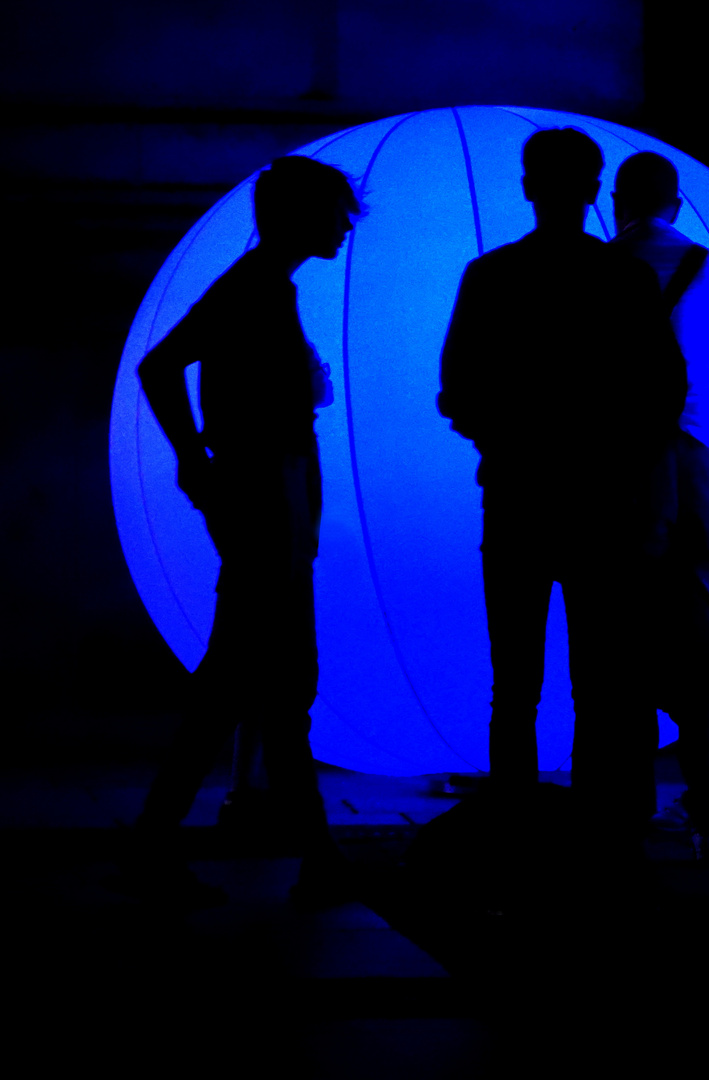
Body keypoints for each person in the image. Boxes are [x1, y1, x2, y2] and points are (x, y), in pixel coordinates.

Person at [116, 156, 358, 907]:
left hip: (266, 503)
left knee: (254, 685)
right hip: (267, 504)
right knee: (270, 684)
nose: (345, 225)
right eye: (334, 212)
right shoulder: (256, 290)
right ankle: (306, 857)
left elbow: (165, 369)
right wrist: (197, 458)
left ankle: (299, 855)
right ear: (298, 216)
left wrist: (200, 459)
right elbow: (160, 367)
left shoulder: (259, 287)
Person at [438, 128, 686, 848]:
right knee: (599, 676)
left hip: (516, 493)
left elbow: (456, 391)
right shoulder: (624, 280)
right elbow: (664, 390)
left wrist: (505, 437)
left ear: (527, 186)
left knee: (513, 680)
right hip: (601, 501)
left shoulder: (491, 276)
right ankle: (594, 824)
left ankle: (514, 818)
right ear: (591, 188)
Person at [608, 152, 709, 861]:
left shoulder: (598, 271)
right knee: (705, 644)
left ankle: (627, 805)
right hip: (704, 466)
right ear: (676, 202)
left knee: (621, 639)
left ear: (617, 201)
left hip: (621, 469)